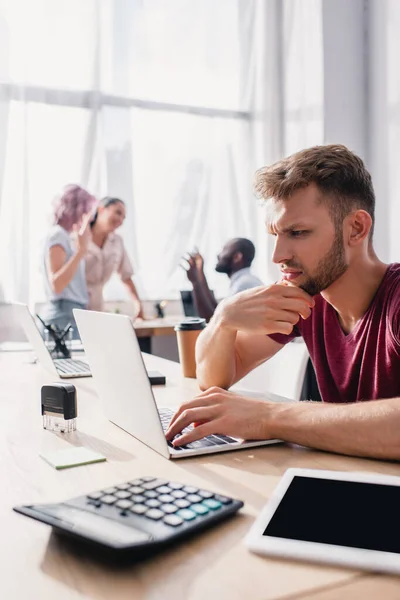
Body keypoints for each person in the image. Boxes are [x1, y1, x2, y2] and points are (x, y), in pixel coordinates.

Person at [166, 144, 400, 461]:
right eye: (275, 234)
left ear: (356, 228)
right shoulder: (306, 296)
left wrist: (268, 418)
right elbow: (213, 380)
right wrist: (223, 320)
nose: (278, 256)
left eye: (298, 232)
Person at [40, 184, 96, 338]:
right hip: (63, 317)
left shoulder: (64, 236)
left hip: (69, 314)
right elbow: (57, 284)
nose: (88, 217)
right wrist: (81, 252)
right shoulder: (58, 236)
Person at [86, 196, 144, 318]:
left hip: (97, 307)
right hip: (74, 304)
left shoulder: (117, 241)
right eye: (118, 213)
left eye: (123, 217)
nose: (120, 220)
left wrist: (138, 304)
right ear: (101, 209)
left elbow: (126, 276)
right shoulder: (78, 237)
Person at [182, 238, 263, 321]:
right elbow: (218, 312)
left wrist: (195, 282)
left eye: (224, 250)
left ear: (237, 257)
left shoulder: (243, 285)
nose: (218, 255)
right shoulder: (244, 281)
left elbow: (215, 321)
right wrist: (200, 274)